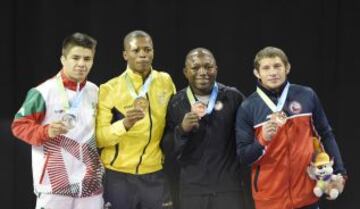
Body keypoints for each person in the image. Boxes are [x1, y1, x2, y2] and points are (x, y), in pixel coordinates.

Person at [235, 46, 347, 209]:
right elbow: (243, 157)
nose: (273, 72)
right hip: (270, 200)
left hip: (307, 196)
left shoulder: (307, 95)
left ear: (287, 68)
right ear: (257, 73)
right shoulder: (247, 107)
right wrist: (262, 140)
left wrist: (340, 173)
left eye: (277, 66)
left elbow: (325, 134)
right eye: (266, 68)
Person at [11, 32, 104, 209]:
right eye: (75, 58)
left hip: (89, 186)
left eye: (87, 59)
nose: (81, 64)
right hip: (54, 186)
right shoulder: (43, 92)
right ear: (63, 59)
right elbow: (19, 126)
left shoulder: (95, 91)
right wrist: (46, 131)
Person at [162, 48, 254, 209]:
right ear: (185, 72)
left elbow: (248, 137)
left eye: (208, 66)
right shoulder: (177, 102)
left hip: (229, 188)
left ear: (216, 69)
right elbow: (167, 149)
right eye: (195, 68)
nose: (202, 72)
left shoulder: (233, 97)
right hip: (193, 191)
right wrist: (182, 130)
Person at [96, 30, 176, 209]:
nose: (143, 54)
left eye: (148, 50)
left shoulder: (165, 81)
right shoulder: (110, 88)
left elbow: (172, 123)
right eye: (136, 50)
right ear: (125, 54)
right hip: (118, 176)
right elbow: (100, 139)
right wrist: (124, 124)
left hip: (154, 173)